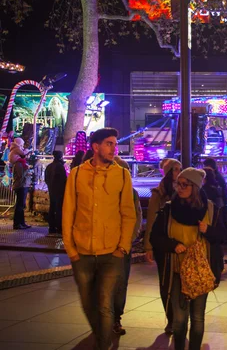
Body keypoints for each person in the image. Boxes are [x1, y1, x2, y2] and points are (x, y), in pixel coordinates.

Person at [62, 128, 136, 350]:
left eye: (115, 144)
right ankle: (100, 337)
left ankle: (102, 346)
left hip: (111, 252)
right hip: (82, 251)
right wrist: (71, 249)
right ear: (96, 147)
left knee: (104, 305)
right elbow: (68, 212)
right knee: (88, 304)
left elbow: (128, 214)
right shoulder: (76, 174)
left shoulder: (122, 174)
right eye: (109, 144)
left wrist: (122, 247)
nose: (114, 148)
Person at [150, 168, 224, 350]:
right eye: (178, 184)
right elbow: (155, 237)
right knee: (180, 318)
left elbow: (222, 237)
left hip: (200, 271)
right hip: (177, 270)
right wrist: (172, 245)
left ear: (196, 187)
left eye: (185, 185)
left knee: (198, 317)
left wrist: (208, 231)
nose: (180, 188)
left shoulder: (211, 210)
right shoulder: (168, 209)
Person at [144, 157, 181, 333]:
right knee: (166, 282)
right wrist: (148, 246)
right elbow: (151, 220)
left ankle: (180, 316)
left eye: (180, 169)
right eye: (175, 169)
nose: (178, 172)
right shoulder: (158, 194)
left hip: (180, 243)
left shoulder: (185, 191)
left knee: (181, 280)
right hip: (163, 243)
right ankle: (171, 318)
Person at [112, 156, 143, 336]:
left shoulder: (131, 193)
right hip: (106, 244)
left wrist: (129, 239)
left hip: (122, 245)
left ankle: (116, 317)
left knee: (120, 283)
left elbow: (137, 217)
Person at [203, 158, 227, 264]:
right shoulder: (218, 177)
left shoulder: (214, 180)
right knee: (224, 231)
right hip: (222, 207)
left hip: (219, 209)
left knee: (223, 231)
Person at [44, 150, 67, 236]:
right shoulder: (60, 167)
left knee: (52, 208)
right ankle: (58, 227)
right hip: (59, 191)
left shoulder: (49, 166)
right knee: (59, 209)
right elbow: (63, 179)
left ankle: (52, 227)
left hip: (52, 190)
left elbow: (46, 178)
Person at [11, 148, 31, 230]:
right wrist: (27, 170)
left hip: (23, 185)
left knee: (21, 205)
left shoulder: (21, 164)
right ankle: (17, 224)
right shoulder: (19, 164)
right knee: (19, 205)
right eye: (27, 155)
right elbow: (21, 176)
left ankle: (21, 223)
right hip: (20, 186)